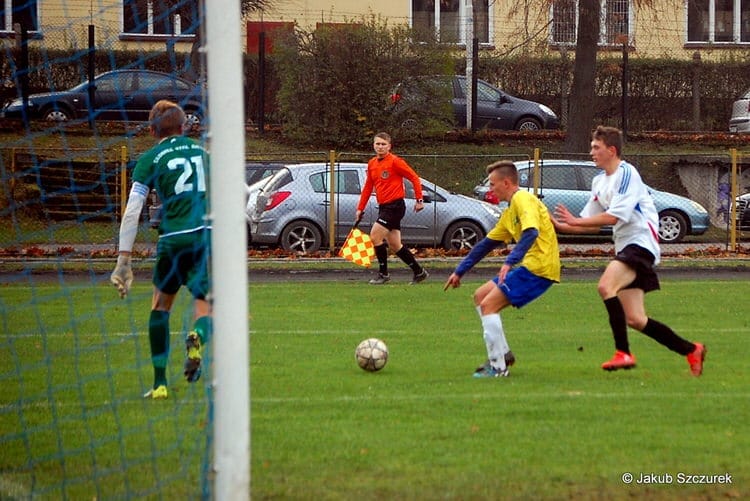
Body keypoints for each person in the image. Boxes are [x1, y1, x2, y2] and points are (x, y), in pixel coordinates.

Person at [552, 125, 706, 376]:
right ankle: (691, 349)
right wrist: (559, 225)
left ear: (611, 150)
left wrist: (574, 221)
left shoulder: (627, 173)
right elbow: (592, 224)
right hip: (626, 248)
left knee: (605, 287)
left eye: (596, 147)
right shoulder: (599, 181)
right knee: (635, 319)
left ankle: (623, 353)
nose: (591, 152)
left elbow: (614, 217)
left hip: (641, 244)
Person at [110, 100, 212, 399]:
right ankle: (198, 336)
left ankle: (159, 385)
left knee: (160, 307)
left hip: (174, 237)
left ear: (153, 131)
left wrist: (123, 259)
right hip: (206, 236)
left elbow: (132, 211)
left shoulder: (151, 158)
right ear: (185, 127)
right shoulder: (204, 155)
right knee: (207, 304)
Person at [444, 160, 560, 377]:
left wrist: (508, 262)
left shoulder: (523, 199)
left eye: (493, 184)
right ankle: (503, 354)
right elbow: (485, 245)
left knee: (489, 306)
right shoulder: (509, 212)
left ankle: (498, 367)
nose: (490, 189)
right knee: (480, 296)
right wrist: (459, 271)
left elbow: (532, 232)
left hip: (539, 268)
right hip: (530, 266)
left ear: (506, 183)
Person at [356, 132, 429, 285]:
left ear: (389, 146)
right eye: (378, 144)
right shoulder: (372, 163)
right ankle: (419, 272)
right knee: (395, 245)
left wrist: (419, 199)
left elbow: (414, 177)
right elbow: (368, 187)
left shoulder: (396, 162)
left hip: (395, 206)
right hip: (384, 207)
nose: (380, 147)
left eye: (383, 144)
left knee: (375, 236)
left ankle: (383, 274)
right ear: (373, 145)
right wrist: (360, 208)